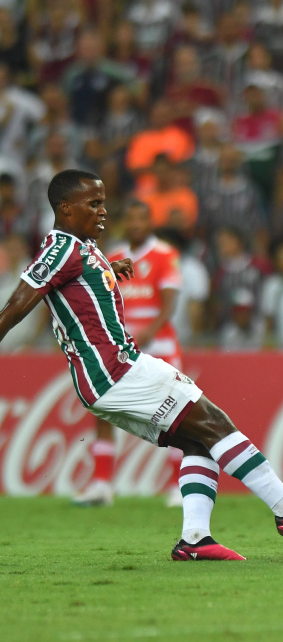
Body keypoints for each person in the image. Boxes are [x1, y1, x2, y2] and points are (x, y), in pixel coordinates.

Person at [0, 170, 283, 561]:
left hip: (106, 377)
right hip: (118, 369)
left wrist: (108, 270)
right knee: (215, 423)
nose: (103, 212)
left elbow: (77, 280)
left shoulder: (82, 247)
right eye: (93, 204)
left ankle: (195, 540)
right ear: (65, 208)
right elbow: (17, 305)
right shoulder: (59, 249)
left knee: (198, 441)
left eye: (104, 202)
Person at [73, 200, 186, 508]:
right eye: (130, 218)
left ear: (150, 222)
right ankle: (101, 486)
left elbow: (169, 304)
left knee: (173, 414)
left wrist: (150, 330)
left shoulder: (165, 254)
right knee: (104, 411)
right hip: (121, 348)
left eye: (141, 218)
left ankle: (180, 486)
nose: (135, 224)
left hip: (159, 345)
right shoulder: (112, 258)